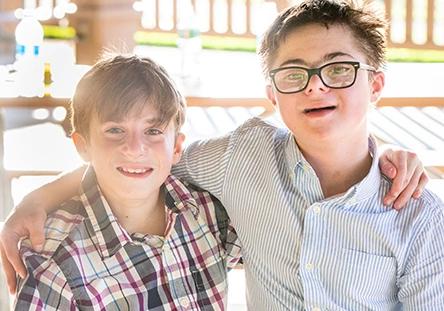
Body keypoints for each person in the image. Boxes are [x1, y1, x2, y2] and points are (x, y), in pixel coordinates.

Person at [0, 0, 432, 307]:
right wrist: (38, 198)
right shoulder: (241, 158)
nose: (315, 86)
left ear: (375, 85)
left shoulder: (419, 215)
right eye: (294, 73)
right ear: (272, 95)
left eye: (338, 69)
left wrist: (388, 158)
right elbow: (144, 163)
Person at [12, 53, 242, 310]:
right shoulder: (54, 262)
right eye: (115, 130)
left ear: (177, 148)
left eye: (153, 131)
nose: (135, 148)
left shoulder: (210, 212)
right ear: (83, 146)